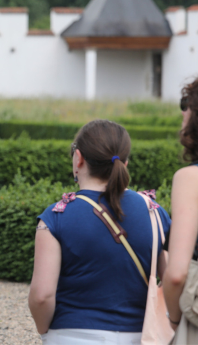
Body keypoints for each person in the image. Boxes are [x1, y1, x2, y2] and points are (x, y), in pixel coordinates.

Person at [28, 119, 171, 344]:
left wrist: (47, 333)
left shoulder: (55, 216)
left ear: (79, 158)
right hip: (141, 335)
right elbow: (172, 279)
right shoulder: (154, 212)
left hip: (71, 334)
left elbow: (42, 296)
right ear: (125, 163)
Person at [163, 78, 198, 339]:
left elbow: (176, 274)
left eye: (186, 104)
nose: (183, 111)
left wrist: (173, 320)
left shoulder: (190, 178)